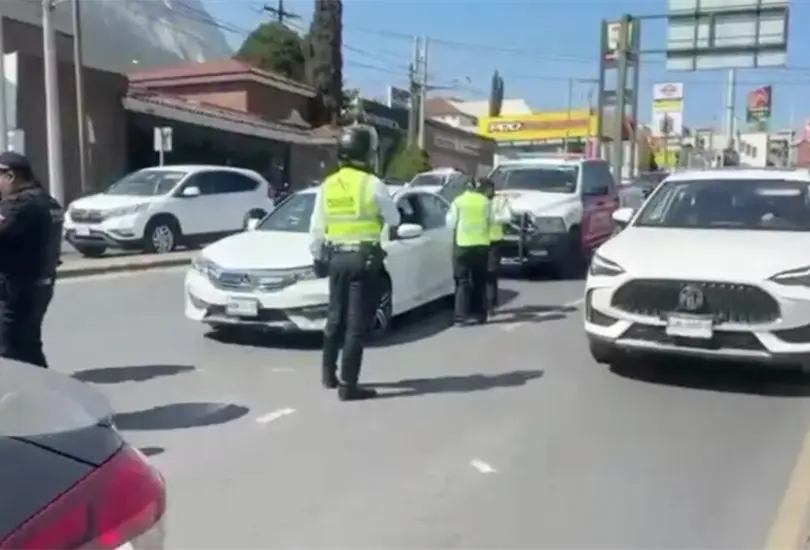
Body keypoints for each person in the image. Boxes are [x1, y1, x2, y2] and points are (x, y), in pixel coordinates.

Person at [309, 124, 400, 401]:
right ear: (368, 153)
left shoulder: (328, 185)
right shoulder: (372, 184)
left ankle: (328, 375)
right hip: (363, 259)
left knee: (334, 318)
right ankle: (348, 386)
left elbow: (316, 228)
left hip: (336, 259)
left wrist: (317, 256)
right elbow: (394, 219)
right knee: (356, 326)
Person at [0, 151, 63, 368]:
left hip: (17, 289)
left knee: (7, 349)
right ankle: (48, 393)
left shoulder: (19, 205)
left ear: (9, 175)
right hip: (41, 285)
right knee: (29, 347)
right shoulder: (48, 202)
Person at [446, 178, 498, 325]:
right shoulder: (484, 202)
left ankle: (460, 316)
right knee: (479, 280)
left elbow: (450, 223)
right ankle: (480, 315)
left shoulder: (459, 201)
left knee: (462, 281)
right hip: (481, 245)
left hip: (462, 245)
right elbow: (492, 221)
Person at [478, 177, 512, 311]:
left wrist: (492, 219)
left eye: (486, 189)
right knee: (482, 273)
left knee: (490, 273)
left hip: (494, 240)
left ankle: (491, 303)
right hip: (478, 240)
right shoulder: (478, 201)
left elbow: (507, 217)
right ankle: (486, 302)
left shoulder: (499, 200)